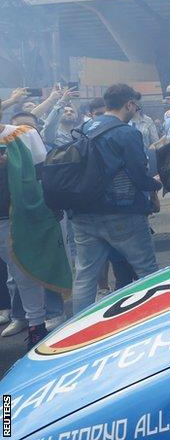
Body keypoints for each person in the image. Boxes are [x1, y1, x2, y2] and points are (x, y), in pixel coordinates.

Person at [70, 84, 162, 314]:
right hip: (122, 211)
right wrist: (156, 184)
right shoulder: (127, 132)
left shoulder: (82, 128)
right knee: (147, 269)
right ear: (129, 104)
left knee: (85, 276)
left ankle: (80, 328)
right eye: (136, 106)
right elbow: (139, 174)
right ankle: (157, 318)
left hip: (83, 212)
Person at [0, 108, 69, 347]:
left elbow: (43, 173)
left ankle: (37, 325)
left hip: (22, 216)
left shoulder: (23, 134)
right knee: (14, 276)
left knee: (26, 272)